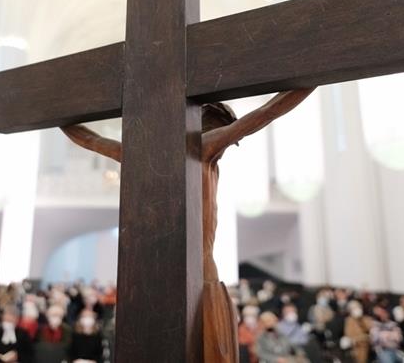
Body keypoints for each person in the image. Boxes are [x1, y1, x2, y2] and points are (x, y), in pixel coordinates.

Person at [62, 89, 316, 363]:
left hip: (156, 271)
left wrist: (59, 118)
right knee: (210, 348)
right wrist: (312, 79)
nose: (230, 142)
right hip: (200, 271)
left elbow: (93, 140)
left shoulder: (149, 155)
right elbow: (265, 113)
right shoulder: (203, 146)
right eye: (228, 133)